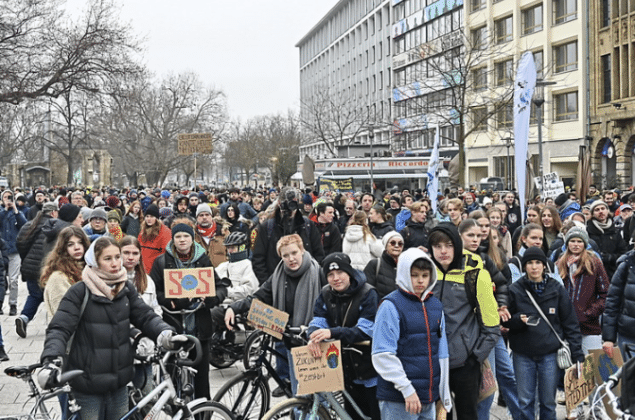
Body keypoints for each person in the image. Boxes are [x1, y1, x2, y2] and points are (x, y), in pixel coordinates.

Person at [38, 237, 180, 420]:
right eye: (107, 259)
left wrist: (165, 333)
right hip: (87, 384)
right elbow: (59, 328)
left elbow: (145, 316)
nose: (115, 263)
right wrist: (51, 359)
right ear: (94, 261)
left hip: (119, 383)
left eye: (117, 257)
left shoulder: (124, 288)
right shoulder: (80, 291)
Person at [225, 233, 324, 396]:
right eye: (285, 255)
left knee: (317, 394)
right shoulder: (278, 275)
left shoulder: (318, 272)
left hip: (313, 339)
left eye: (294, 253)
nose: (291, 259)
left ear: (302, 251)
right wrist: (233, 308)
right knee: (298, 393)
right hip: (291, 340)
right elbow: (259, 296)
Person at [428, 222, 500, 420]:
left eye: (449, 245)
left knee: (468, 414)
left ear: (457, 245)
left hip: (463, 362)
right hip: (431, 361)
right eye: (437, 246)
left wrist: (475, 358)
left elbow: (492, 325)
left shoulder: (475, 273)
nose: (443, 251)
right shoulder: (424, 273)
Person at [503, 247, 584, 420]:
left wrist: (578, 356)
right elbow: (505, 320)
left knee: (548, 402)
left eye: (538, 263)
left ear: (544, 266)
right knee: (525, 401)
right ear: (524, 266)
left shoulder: (556, 289)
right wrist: (518, 320)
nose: (534, 267)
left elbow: (570, 322)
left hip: (549, 354)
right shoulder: (515, 290)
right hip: (523, 354)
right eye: (530, 263)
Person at [150, 223, 228, 400]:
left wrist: (212, 299)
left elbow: (219, 287)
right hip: (173, 330)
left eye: (186, 236)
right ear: (173, 239)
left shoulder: (203, 260)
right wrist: (172, 301)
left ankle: (203, 413)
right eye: (178, 237)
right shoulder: (161, 262)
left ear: (192, 239)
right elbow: (155, 292)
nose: (182, 240)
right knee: (172, 380)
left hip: (200, 330)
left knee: (201, 382)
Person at [372, 247, 452, 420]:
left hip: (428, 396)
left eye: (424, 275)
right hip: (399, 399)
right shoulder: (390, 305)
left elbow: (442, 353)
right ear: (403, 273)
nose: (420, 281)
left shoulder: (435, 305)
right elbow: (382, 354)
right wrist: (407, 389)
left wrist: (444, 394)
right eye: (414, 275)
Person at [308, 253, 380, 420]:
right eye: (330, 275)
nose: (336, 278)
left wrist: (332, 333)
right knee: (351, 415)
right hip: (346, 370)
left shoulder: (368, 293)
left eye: (340, 272)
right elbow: (318, 319)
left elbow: (365, 330)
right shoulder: (326, 293)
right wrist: (313, 335)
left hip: (369, 369)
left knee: (375, 414)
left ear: (350, 273)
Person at [251, 188, 324, 284]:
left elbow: (319, 254)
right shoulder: (267, 227)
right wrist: (269, 284)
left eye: (293, 203)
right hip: (276, 281)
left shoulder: (307, 226)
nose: (290, 208)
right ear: (279, 203)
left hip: (305, 282)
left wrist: (311, 277)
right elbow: (258, 259)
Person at [15, 201, 58, 338]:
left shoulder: (29, 225)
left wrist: (26, 258)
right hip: (48, 267)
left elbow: (20, 243)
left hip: (30, 268)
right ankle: (54, 325)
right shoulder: (55, 226)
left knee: (34, 295)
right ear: (53, 213)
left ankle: (24, 318)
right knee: (52, 296)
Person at [210, 231, 259, 328]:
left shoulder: (249, 266)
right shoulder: (222, 266)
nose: (230, 251)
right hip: (220, 303)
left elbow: (249, 291)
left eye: (232, 247)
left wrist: (225, 292)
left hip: (238, 307)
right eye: (228, 248)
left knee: (212, 313)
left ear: (242, 247)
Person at [41, 226, 89, 319]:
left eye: (80, 243)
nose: (77, 247)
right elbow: (63, 313)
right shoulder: (59, 276)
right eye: (70, 244)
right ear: (63, 248)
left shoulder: (88, 269)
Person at [602, 247, 635, 361]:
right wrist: (608, 338)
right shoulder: (627, 265)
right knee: (628, 376)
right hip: (629, 336)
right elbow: (612, 301)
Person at [0, 189, 27, 316]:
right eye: (5, 197)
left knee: (13, 280)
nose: (8, 199)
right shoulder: (1, 212)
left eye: (10, 197)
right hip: (1, 251)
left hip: (14, 251)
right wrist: (5, 209)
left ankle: (13, 304)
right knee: (1, 279)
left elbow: (24, 224)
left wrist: (15, 209)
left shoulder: (18, 212)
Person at [586, 200, 627, 279]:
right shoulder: (588, 231)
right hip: (593, 273)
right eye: (597, 210)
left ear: (607, 211)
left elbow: (623, 252)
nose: (601, 211)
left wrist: (610, 257)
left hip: (613, 272)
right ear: (593, 214)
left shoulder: (615, 231)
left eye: (603, 208)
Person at [364, 231, 404, 300]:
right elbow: (367, 291)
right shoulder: (375, 264)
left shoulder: (406, 266)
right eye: (393, 243)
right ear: (386, 245)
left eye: (400, 244)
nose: (396, 246)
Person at [138, 204, 171, 274]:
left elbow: (166, 252)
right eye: (147, 216)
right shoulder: (143, 231)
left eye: (152, 216)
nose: (149, 219)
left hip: (156, 269)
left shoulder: (165, 232)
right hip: (143, 268)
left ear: (156, 218)